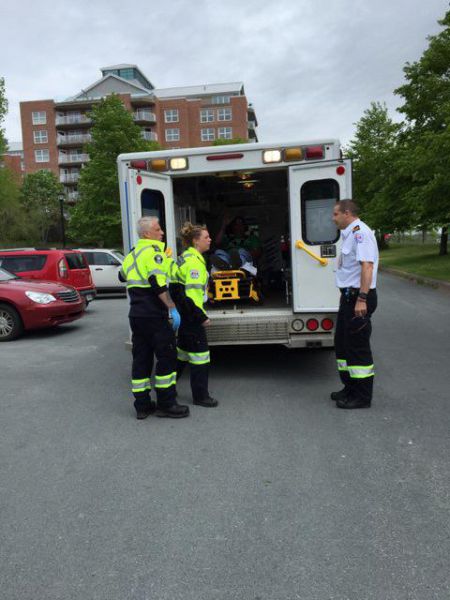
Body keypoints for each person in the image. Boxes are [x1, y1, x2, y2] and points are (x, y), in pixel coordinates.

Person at [119, 216, 189, 420]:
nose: (162, 233)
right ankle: (167, 404)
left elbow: (122, 276)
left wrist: (164, 260)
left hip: (136, 316)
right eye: (158, 230)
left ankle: (142, 406)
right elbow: (157, 283)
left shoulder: (132, 254)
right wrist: (172, 307)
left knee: (141, 359)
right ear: (147, 234)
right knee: (167, 358)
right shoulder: (154, 253)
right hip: (154, 316)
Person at [331, 200, 379, 409]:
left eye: (335, 214)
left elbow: (367, 266)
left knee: (357, 348)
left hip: (358, 299)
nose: (333, 218)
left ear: (347, 213)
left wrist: (361, 298)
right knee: (343, 345)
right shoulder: (349, 234)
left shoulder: (361, 232)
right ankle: (349, 388)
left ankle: (362, 396)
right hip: (348, 297)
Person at [175, 222, 218, 408]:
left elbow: (181, 290)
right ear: (195, 241)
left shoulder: (186, 258)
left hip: (185, 315)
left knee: (182, 355)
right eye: (206, 237)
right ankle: (201, 396)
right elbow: (191, 296)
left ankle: (166, 389)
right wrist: (202, 317)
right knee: (200, 357)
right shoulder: (194, 263)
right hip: (192, 317)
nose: (210, 240)